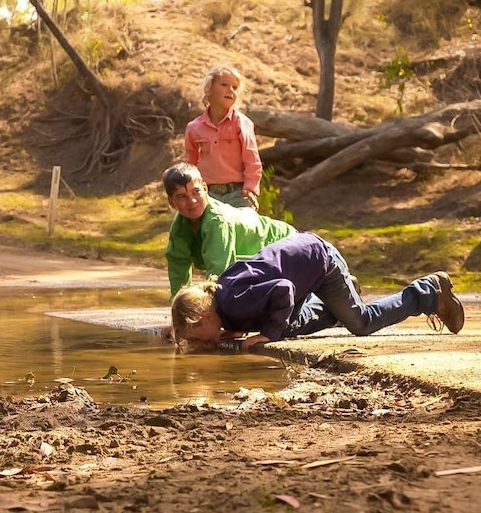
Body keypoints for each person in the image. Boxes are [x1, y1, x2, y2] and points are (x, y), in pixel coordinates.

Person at [170, 231, 465, 353]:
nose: (199, 344)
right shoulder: (224, 299)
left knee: (360, 322)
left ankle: (428, 292)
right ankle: (334, 305)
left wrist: (268, 334)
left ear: (205, 317)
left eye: (196, 338)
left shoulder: (233, 303)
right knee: (282, 327)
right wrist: (237, 327)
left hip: (321, 262)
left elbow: (283, 290)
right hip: (304, 262)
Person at [162, 162, 295, 300]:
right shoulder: (179, 226)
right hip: (256, 259)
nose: (192, 200)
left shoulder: (217, 221)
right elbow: (178, 266)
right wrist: (179, 307)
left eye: (196, 191)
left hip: (285, 243)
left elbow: (217, 276)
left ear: (205, 188)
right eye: (182, 196)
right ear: (171, 202)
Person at [184, 65, 262, 210]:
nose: (230, 90)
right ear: (209, 89)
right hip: (208, 195)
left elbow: (252, 160)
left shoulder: (242, 123)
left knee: (242, 231)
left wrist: (251, 188)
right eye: (224, 84)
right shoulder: (194, 128)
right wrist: (189, 191)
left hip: (239, 194)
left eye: (234, 87)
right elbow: (191, 163)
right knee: (210, 231)